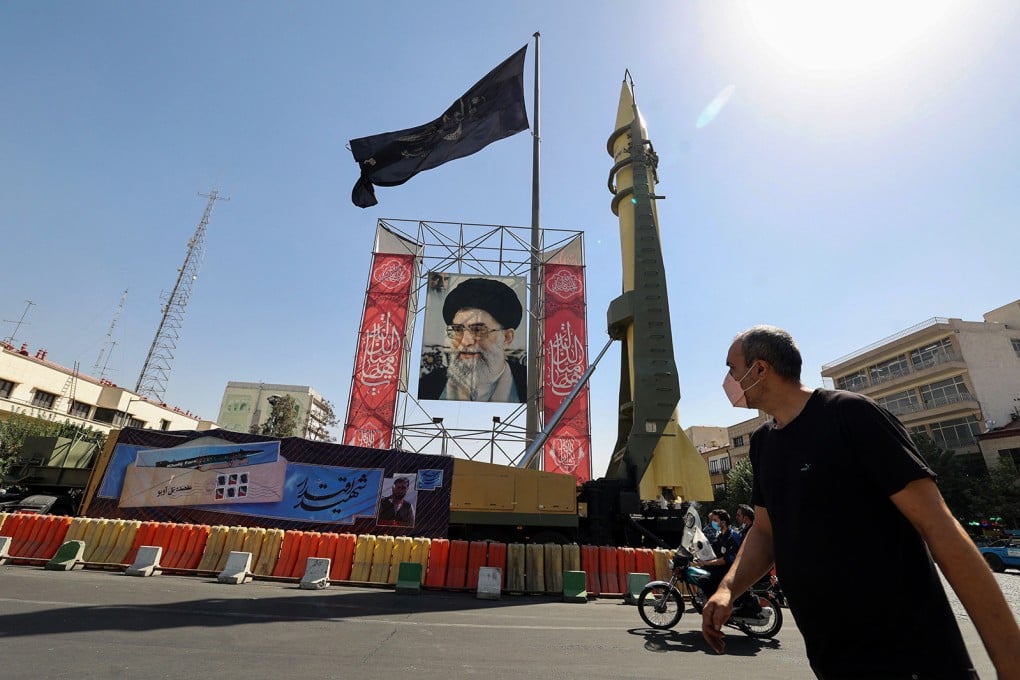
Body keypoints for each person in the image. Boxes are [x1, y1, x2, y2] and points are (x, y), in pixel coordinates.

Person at [702, 325, 1020, 679]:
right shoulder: (763, 444)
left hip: (911, 659)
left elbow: (940, 529)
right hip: (832, 660)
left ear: (759, 369)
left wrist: (1010, 662)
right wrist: (729, 589)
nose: (728, 379)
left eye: (732, 367)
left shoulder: (851, 415)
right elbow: (764, 533)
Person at [418, 277, 526, 402]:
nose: (465, 341)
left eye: (478, 330)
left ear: (506, 338)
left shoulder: (531, 385)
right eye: (458, 330)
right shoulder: (427, 386)